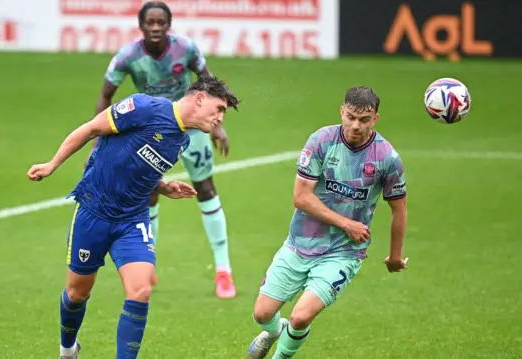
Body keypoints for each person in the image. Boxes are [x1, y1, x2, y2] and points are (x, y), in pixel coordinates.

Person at [27, 76, 239, 359]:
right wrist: (52, 164)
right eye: (219, 108)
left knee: (140, 291)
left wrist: (163, 187)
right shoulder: (143, 107)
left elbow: (141, 168)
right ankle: (67, 349)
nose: (220, 118)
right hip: (94, 210)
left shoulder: (181, 141)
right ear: (200, 99)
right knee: (77, 293)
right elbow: (91, 129)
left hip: (132, 221)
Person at [88, 1, 237, 298]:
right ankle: (148, 266)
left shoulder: (187, 48)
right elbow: (106, 95)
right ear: (141, 26)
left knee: (205, 189)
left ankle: (223, 271)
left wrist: (217, 126)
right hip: (151, 131)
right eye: (150, 23)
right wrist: (96, 144)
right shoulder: (127, 56)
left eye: (161, 23)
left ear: (169, 25)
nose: (156, 28)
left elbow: (210, 85)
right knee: (149, 192)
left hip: (191, 127)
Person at [247, 86, 409, 359]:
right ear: (342, 112)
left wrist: (395, 257)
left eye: (364, 120)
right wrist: (347, 223)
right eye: (351, 117)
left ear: (376, 119)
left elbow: (399, 209)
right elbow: (301, 198)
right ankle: (275, 331)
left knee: (300, 318)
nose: (356, 126)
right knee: (262, 314)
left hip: (343, 253)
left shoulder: (387, 158)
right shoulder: (322, 141)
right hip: (299, 244)